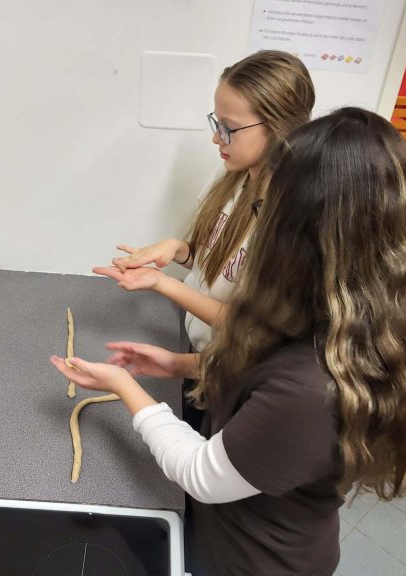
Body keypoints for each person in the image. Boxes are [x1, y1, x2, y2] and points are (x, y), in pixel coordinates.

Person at [51, 108, 406, 575]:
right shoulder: (332, 312)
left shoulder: (310, 389)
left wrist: (124, 387)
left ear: (303, 233)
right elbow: (267, 367)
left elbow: (201, 472)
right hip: (236, 531)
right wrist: (184, 365)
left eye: (266, 211)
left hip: (254, 562)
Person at [94, 50, 315, 430]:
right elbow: (213, 260)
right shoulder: (234, 175)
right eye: (217, 121)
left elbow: (251, 326)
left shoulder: (292, 218)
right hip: (201, 359)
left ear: (279, 127)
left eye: (228, 126)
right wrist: (177, 249)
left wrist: (161, 284)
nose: (216, 137)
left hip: (238, 378)